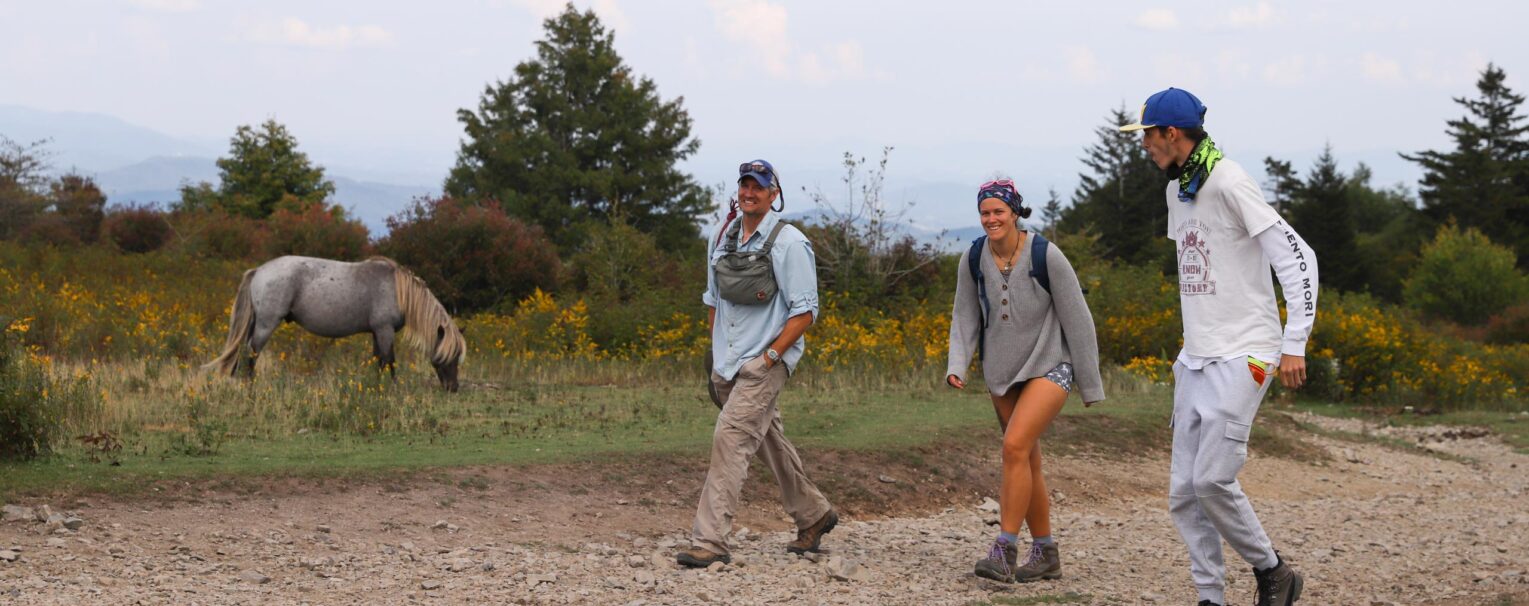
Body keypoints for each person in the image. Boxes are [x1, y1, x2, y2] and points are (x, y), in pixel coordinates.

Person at [1121, 87, 1318, 606]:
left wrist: (1294, 341)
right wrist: (1191, 343)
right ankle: (1211, 597)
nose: (1143, 145)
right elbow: (1202, 268)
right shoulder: (1177, 191)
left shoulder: (1230, 180)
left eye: (1147, 135)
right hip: (1197, 357)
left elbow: (1300, 258)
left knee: (1211, 479)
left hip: (1246, 352)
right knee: (1183, 494)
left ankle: (1273, 572)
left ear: (1171, 133)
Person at [675, 159, 838, 568]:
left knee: (729, 439)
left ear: (773, 195)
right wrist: (714, 356)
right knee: (768, 440)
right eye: (744, 185)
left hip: (766, 361)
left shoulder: (789, 244)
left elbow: (805, 312)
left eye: (759, 186)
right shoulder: (721, 236)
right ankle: (814, 514)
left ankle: (710, 541)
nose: (750, 192)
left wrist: (768, 357)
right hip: (727, 363)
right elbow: (713, 300)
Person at [946, 178, 1104, 583]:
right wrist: (957, 364)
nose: (991, 219)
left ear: (1015, 212)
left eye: (999, 211)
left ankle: (1004, 549)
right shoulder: (974, 257)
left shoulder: (1045, 254)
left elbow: (1078, 319)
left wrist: (1090, 384)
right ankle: (1047, 552)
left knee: (1014, 446)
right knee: (1027, 459)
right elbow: (964, 314)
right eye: (985, 212)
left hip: (1051, 364)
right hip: (1001, 373)